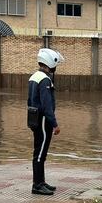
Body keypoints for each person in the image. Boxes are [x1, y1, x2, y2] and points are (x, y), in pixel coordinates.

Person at [27, 48, 64, 195]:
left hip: (34, 118)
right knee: (40, 153)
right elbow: (47, 105)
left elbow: (30, 100)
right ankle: (37, 185)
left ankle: (41, 182)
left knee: (39, 152)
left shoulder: (34, 76)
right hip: (43, 121)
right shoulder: (45, 80)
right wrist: (54, 124)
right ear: (50, 63)